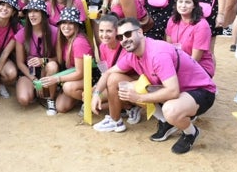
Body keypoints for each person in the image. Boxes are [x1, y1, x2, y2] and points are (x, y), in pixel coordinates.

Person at [92, 17, 216, 154]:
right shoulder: (132, 55)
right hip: (177, 90)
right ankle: (166, 122)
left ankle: (191, 132)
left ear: (139, 32)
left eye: (128, 34)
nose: (124, 39)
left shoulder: (157, 54)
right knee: (116, 79)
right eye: (120, 37)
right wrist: (96, 94)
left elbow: (173, 91)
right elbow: (109, 73)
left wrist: (138, 97)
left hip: (201, 91)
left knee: (171, 110)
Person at [42, 7, 93, 113]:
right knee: (61, 107)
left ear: (77, 25)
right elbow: (62, 58)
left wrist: (57, 79)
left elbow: (80, 73)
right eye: (63, 22)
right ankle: (80, 97)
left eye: (71, 23)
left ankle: (90, 102)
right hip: (73, 76)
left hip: (89, 77)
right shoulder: (65, 39)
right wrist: (43, 61)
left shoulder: (79, 42)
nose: (66, 26)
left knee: (68, 87)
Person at [14, 0, 59, 115]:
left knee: (52, 66)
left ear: (43, 14)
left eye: (36, 11)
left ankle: (51, 99)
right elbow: (20, 62)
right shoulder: (22, 33)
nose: (32, 15)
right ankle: (35, 92)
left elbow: (60, 59)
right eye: (30, 11)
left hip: (46, 70)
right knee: (24, 100)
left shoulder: (55, 32)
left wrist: (43, 61)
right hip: (29, 73)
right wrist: (34, 80)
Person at [165, 0, 214, 77]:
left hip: (198, 67)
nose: (183, 5)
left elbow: (194, 60)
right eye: (180, 2)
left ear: (194, 5)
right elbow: (169, 48)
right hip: (178, 63)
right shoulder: (172, 21)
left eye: (187, 2)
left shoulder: (201, 26)